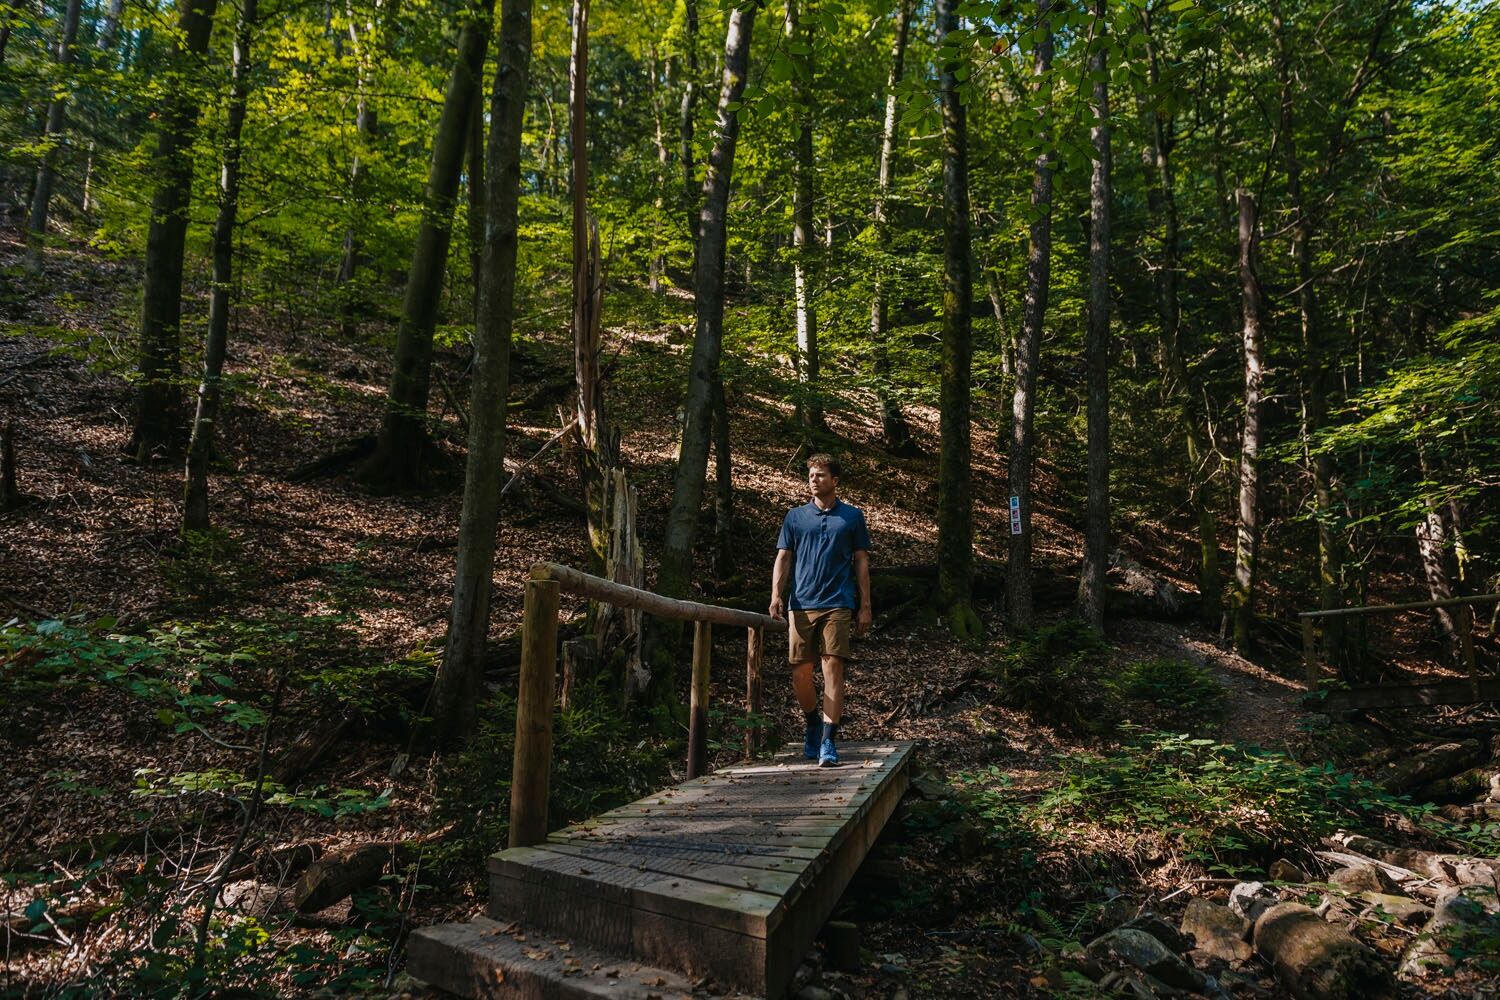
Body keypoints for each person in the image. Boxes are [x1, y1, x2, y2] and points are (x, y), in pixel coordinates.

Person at [769, 454, 872, 767]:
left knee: (832, 667)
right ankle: (813, 722)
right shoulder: (795, 517)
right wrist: (776, 595)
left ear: (835, 480)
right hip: (801, 604)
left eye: (821, 475)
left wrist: (865, 605)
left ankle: (828, 740)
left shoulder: (852, 517)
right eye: (811, 475)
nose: (814, 480)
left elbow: (861, 561)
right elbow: (784, 557)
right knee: (800, 673)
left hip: (838, 602)